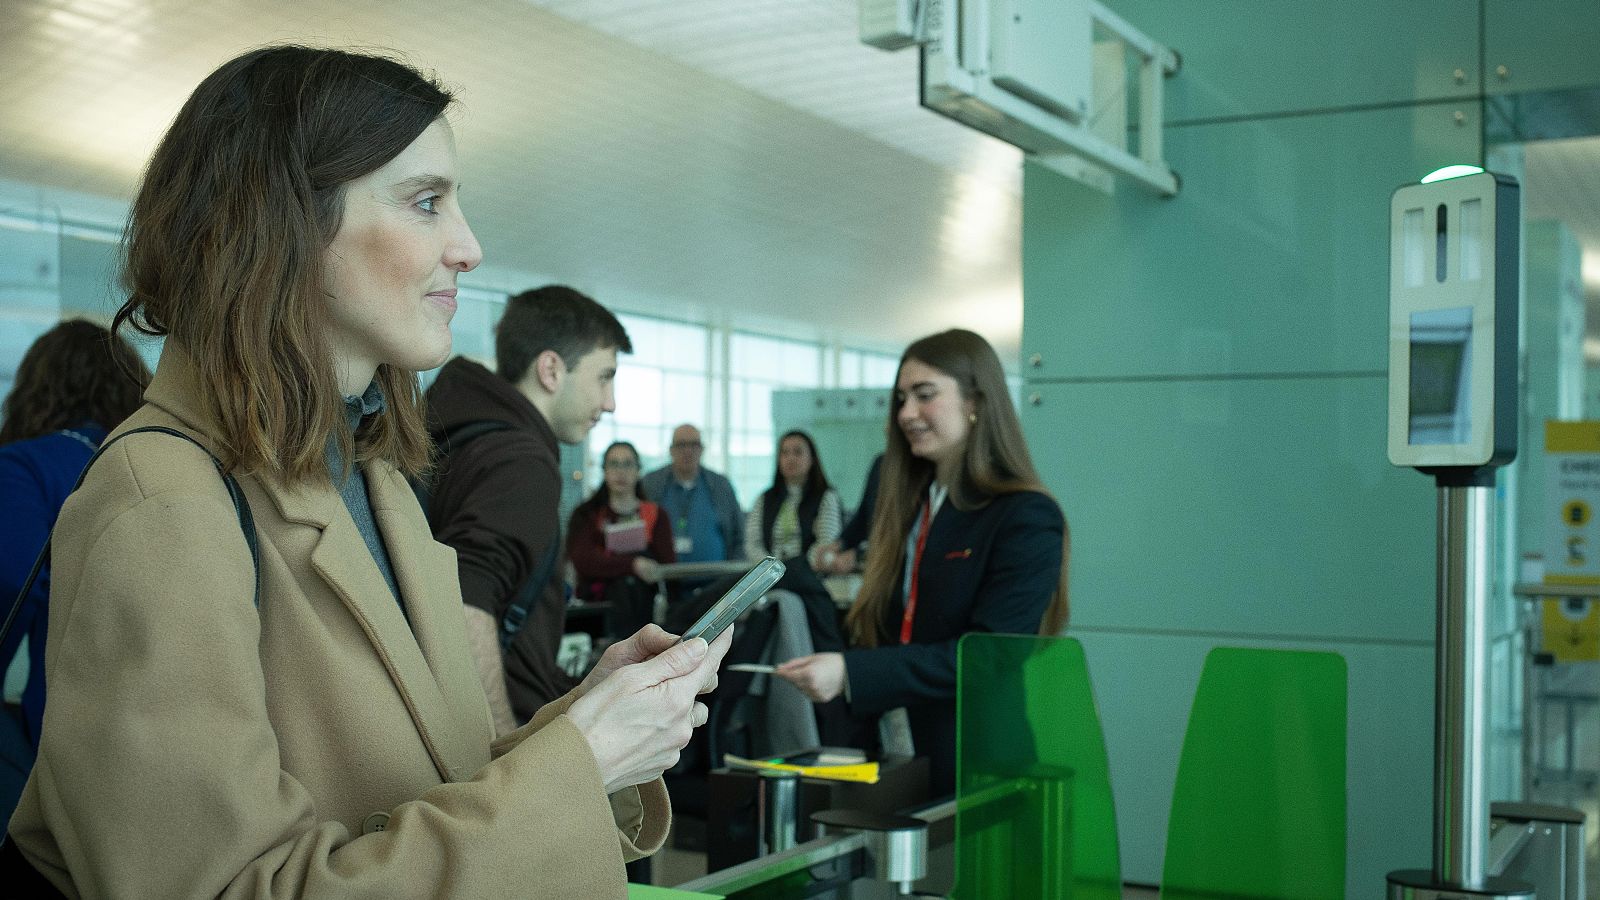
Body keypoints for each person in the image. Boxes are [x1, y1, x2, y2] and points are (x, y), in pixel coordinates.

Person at [1, 46, 731, 898]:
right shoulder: (160, 503)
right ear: (284, 224)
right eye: (426, 203)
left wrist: (587, 729)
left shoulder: (373, 482)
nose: (469, 247)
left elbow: (429, 786)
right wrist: (579, 764)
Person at [775, 329, 1069, 797]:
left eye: (924, 396)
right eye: (901, 398)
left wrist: (852, 672)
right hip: (898, 750)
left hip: (977, 759)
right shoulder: (913, 505)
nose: (906, 413)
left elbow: (986, 656)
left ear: (975, 400)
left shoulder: (1025, 517)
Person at [424, 284, 632, 735]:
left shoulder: (458, 434)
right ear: (551, 369)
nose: (610, 402)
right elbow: (465, 596)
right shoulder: (523, 462)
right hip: (498, 741)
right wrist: (502, 746)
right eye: (604, 376)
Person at [0, 320, 151, 817]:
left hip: (61, 748)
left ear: (40, 386)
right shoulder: (154, 466)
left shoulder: (24, 466)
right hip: (160, 739)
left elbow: (11, 582)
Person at [567, 441, 676, 639]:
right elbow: (584, 560)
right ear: (604, 470)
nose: (621, 472)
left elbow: (667, 565)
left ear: (638, 470)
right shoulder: (587, 515)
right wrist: (633, 565)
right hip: (598, 611)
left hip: (646, 608)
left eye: (627, 464)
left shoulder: (656, 515)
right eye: (614, 464)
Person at [641, 423, 744, 565]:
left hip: (717, 579)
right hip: (662, 580)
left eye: (694, 445)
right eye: (681, 445)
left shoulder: (721, 485)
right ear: (671, 450)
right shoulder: (650, 484)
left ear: (702, 450)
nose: (688, 451)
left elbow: (739, 535)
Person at [744, 430, 842, 563]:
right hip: (770, 576)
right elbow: (752, 543)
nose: (790, 459)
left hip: (811, 575)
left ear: (812, 459)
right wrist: (770, 569)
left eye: (798, 452)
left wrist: (798, 568)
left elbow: (827, 542)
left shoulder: (826, 497)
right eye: (785, 453)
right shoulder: (765, 499)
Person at [809, 451, 881, 575]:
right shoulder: (881, 464)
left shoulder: (825, 496)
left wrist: (858, 555)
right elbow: (863, 517)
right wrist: (839, 544)